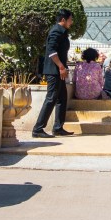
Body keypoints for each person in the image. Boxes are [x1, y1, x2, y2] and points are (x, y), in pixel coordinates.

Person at [32, 9, 75, 139]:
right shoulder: (56, 31)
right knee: (51, 98)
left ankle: (58, 128)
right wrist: (61, 66)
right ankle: (38, 129)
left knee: (62, 98)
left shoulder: (63, 32)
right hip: (54, 71)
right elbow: (51, 51)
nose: (72, 22)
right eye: (70, 19)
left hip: (59, 71)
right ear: (63, 20)